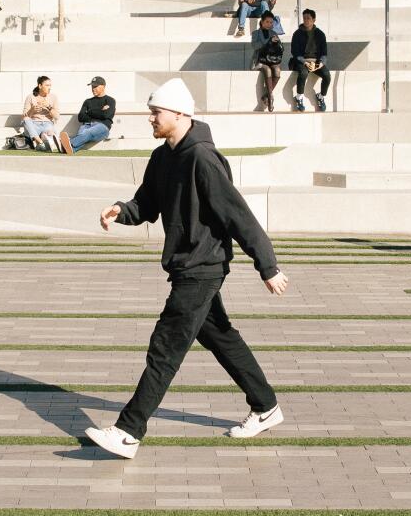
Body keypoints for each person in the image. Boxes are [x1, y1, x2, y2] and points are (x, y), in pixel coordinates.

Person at [86, 78, 291, 460]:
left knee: (165, 345)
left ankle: (128, 431)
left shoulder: (203, 158)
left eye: (155, 113)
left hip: (203, 266)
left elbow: (237, 215)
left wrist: (268, 265)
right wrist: (121, 210)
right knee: (220, 337)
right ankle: (266, 407)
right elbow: (147, 202)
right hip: (186, 266)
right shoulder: (163, 156)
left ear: (180, 113)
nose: (150, 119)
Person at [59, 76, 116, 154]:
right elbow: (81, 117)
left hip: (103, 127)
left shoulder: (110, 100)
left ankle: (66, 144)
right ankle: (70, 149)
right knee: (83, 135)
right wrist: (100, 111)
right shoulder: (88, 101)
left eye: (95, 86)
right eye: (92, 86)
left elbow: (106, 115)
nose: (93, 88)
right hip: (87, 125)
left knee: (87, 133)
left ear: (103, 86)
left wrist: (89, 112)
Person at [290, 9, 330, 112]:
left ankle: (321, 96)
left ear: (314, 20)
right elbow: (295, 52)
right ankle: (299, 97)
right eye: (304, 18)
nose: (306, 20)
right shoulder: (297, 34)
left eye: (308, 18)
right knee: (303, 73)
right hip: (301, 61)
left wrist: (320, 64)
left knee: (327, 75)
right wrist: (305, 62)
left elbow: (324, 53)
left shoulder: (320, 34)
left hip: (316, 62)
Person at [251, 12, 284, 112]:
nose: (269, 24)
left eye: (271, 22)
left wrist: (277, 43)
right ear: (262, 22)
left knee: (277, 71)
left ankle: (266, 96)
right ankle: (270, 99)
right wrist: (268, 42)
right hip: (260, 60)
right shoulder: (256, 33)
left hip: (272, 59)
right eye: (267, 22)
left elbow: (281, 49)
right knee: (268, 70)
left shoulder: (273, 33)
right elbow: (255, 46)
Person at [22, 75, 61, 153]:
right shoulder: (30, 97)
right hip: (33, 125)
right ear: (40, 86)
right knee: (26, 119)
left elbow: (57, 116)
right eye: (47, 85)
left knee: (49, 133)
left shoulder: (53, 97)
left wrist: (48, 106)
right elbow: (24, 116)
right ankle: (40, 142)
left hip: (47, 124)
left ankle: (44, 141)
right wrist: (32, 110)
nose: (49, 87)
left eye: (50, 85)